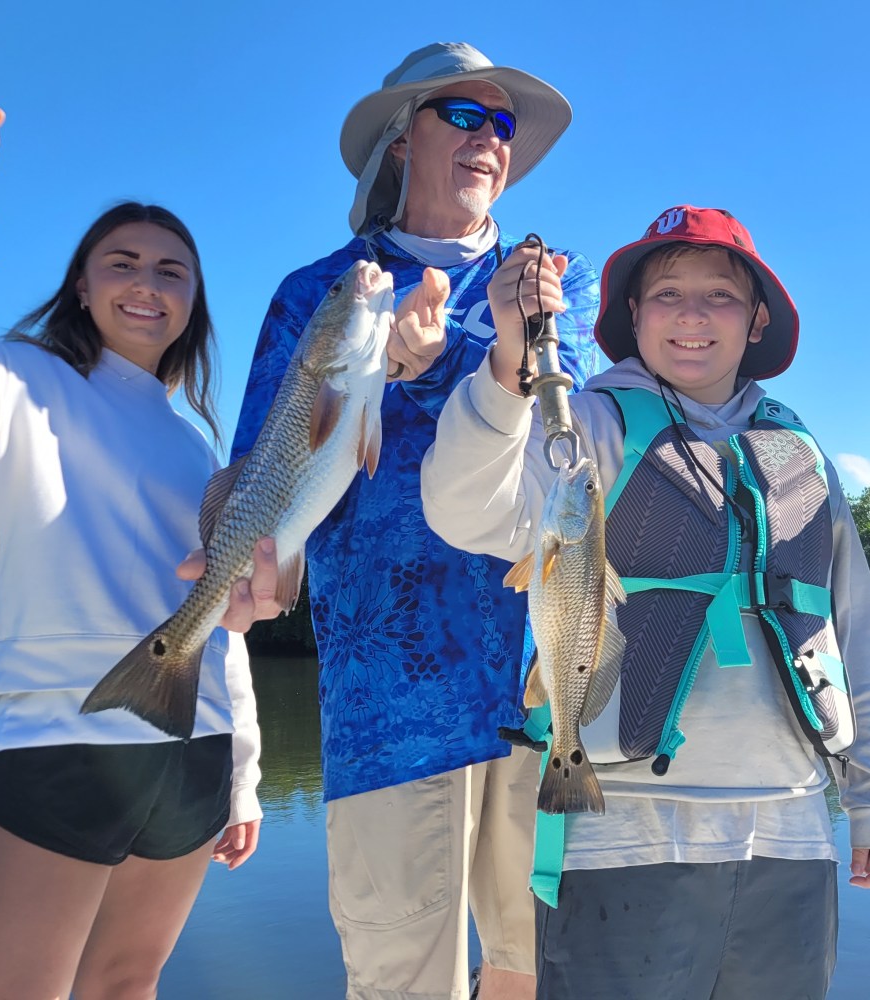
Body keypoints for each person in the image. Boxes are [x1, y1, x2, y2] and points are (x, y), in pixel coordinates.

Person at [0, 91, 276, 999]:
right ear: (81, 285)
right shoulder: (9, 376)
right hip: (59, 734)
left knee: (127, 985)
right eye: (122, 262)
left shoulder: (195, 445)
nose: (146, 283)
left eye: (172, 271)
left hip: (195, 749)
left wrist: (245, 771)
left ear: (193, 303)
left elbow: (218, 624)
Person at [422, 205, 870, 999]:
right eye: (667, 295)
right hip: (621, 829)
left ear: (756, 320)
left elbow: (852, 631)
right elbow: (462, 510)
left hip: (791, 830)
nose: (691, 315)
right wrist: (507, 369)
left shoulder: (799, 454)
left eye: (719, 295)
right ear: (633, 315)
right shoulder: (586, 425)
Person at [231, 42, 598, 1000]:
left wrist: (474, 361)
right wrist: (390, 378)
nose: (489, 139)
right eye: (462, 116)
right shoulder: (320, 294)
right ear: (400, 140)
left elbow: (576, 462)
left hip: (540, 676)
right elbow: (268, 475)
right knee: (401, 977)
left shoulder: (558, 286)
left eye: (502, 125)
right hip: (389, 697)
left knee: (536, 967)